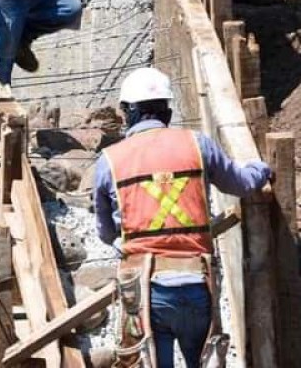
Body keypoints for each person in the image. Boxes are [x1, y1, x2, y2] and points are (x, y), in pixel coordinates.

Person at [94, 67, 272, 368]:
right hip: (197, 283)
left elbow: (105, 233)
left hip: (145, 291)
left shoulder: (109, 160)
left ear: (129, 112)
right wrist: (262, 168)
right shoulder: (197, 144)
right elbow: (241, 183)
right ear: (167, 110)